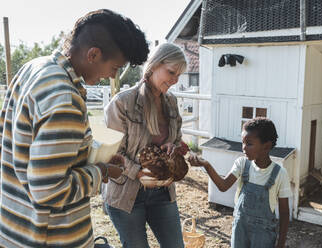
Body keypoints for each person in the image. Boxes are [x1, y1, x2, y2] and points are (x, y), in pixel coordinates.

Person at [0, 9, 149, 248]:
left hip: (14, 227)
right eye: (115, 68)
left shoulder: (33, 68)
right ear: (93, 54)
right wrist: (102, 172)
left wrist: (90, 158)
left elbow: (24, 150)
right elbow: (49, 191)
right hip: (47, 237)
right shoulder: (65, 100)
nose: (112, 76)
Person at [103, 43, 187, 248]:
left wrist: (172, 146)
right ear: (154, 65)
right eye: (171, 72)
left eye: (179, 75)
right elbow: (111, 152)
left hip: (162, 191)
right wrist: (139, 173)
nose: (175, 80)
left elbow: (177, 138)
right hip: (126, 194)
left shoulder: (171, 102)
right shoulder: (122, 103)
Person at [188, 117, 291, 248]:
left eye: (249, 143)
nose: (243, 148)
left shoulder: (279, 173)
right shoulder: (242, 164)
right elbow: (223, 186)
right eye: (242, 142)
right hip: (240, 230)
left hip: (263, 235)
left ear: (266, 146)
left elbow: (284, 212)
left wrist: (280, 244)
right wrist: (206, 165)